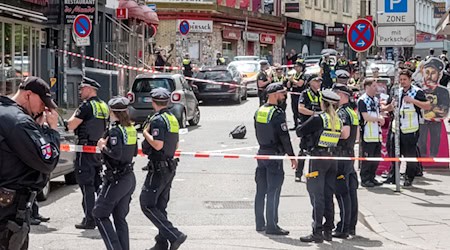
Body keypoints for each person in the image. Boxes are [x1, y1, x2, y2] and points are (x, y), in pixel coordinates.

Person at [0, 76, 60, 249]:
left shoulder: (6, 114)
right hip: (9, 212)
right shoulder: (19, 122)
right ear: (28, 95)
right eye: (43, 102)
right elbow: (48, 161)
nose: (44, 108)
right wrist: (52, 131)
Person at [140, 88, 187, 250]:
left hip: (158, 167)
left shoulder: (158, 120)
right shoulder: (172, 118)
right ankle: (161, 243)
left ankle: (174, 235)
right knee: (159, 206)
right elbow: (176, 143)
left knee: (146, 204)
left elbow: (158, 144)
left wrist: (145, 133)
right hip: (169, 166)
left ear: (153, 102)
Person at [297, 89, 342, 243]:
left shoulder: (319, 118)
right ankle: (328, 230)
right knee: (328, 195)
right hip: (332, 159)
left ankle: (317, 231)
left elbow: (299, 131)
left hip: (318, 159)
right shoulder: (337, 119)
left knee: (317, 196)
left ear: (322, 103)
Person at [93, 97, 137, 250]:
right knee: (119, 218)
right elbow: (135, 152)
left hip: (116, 179)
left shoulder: (115, 131)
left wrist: (102, 147)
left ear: (112, 112)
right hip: (128, 178)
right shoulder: (130, 128)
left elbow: (116, 154)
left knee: (99, 214)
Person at [254, 83, 297, 235]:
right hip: (274, 155)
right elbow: (284, 137)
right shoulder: (277, 113)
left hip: (262, 153)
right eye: (282, 94)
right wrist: (292, 156)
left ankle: (260, 223)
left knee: (261, 190)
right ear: (274, 95)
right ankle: (272, 225)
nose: (284, 97)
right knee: (274, 190)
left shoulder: (260, 110)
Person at [66, 77, 109, 229]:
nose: (80, 91)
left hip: (85, 151)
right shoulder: (103, 105)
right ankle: (103, 214)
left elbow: (71, 125)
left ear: (90, 89)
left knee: (86, 185)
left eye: (82, 88)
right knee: (98, 184)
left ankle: (90, 219)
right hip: (98, 151)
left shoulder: (86, 106)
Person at [384, 70, 431, 186]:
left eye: (404, 79)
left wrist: (413, 101)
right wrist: (385, 108)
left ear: (410, 80)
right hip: (396, 129)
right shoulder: (396, 91)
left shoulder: (417, 92)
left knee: (410, 156)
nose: (402, 82)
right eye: (400, 80)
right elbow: (390, 106)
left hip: (410, 130)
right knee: (394, 154)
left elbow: (427, 105)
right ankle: (393, 176)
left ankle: (409, 177)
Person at [332, 84, 359, 238]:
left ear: (341, 95)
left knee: (342, 193)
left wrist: (329, 134)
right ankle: (350, 226)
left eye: (336, 94)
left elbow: (345, 133)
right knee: (350, 192)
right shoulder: (351, 111)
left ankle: (343, 227)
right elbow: (356, 137)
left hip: (341, 155)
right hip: (349, 154)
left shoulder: (342, 112)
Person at [418, 58, 449, 158]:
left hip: (436, 122)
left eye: (433, 73)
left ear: (439, 75)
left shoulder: (443, 91)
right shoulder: (418, 89)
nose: (429, 76)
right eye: (427, 72)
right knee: (421, 142)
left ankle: (434, 160)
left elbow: (444, 111)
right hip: (421, 122)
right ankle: (422, 162)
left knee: (435, 142)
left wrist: (429, 108)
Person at [357, 78, 385, 188]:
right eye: (373, 86)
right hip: (367, 134)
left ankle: (372, 177)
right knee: (367, 158)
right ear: (367, 87)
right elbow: (366, 117)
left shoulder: (375, 100)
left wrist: (380, 117)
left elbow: (378, 112)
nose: (376, 88)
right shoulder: (362, 100)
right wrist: (378, 119)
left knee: (376, 157)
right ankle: (365, 179)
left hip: (376, 134)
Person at [296, 75, 322, 182]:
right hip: (306, 124)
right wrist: (314, 113)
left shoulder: (321, 94)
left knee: (316, 150)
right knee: (303, 150)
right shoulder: (305, 94)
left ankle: (315, 174)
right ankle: (298, 173)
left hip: (317, 126)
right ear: (310, 82)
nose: (318, 83)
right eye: (316, 81)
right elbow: (301, 109)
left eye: (319, 81)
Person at [288, 59, 307, 129]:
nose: (296, 68)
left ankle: (302, 124)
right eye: (295, 66)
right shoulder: (294, 75)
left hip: (300, 95)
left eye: (298, 66)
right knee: (294, 111)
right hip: (294, 95)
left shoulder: (303, 75)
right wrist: (289, 81)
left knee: (300, 111)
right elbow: (288, 86)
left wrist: (292, 80)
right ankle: (296, 125)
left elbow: (300, 84)